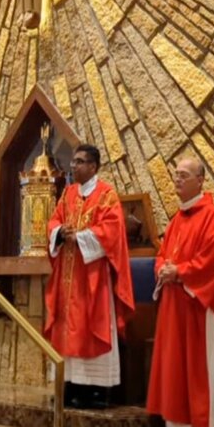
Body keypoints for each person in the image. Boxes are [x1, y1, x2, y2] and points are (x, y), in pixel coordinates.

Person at [146, 158, 214, 427]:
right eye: (176, 174)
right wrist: (163, 269)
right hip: (176, 306)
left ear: (200, 180)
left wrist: (179, 272)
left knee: (204, 365)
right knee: (176, 366)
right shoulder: (178, 219)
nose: (177, 179)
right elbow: (163, 253)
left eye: (184, 175)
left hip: (203, 307)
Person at [44, 144, 134, 409]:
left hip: (92, 277)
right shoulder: (68, 194)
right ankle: (69, 384)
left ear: (93, 167)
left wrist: (80, 237)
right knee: (66, 328)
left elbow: (112, 231)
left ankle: (95, 389)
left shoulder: (107, 195)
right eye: (73, 161)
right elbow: (53, 221)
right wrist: (60, 232)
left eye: (80, 162)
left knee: (91, 326)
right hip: (68, 276)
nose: (73, 166)